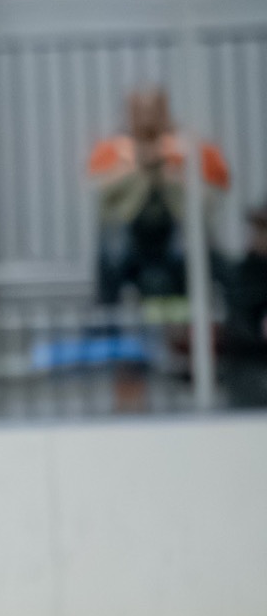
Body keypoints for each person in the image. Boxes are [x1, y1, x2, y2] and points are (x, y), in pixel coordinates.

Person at [87, 87, 231, 303]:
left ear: (165, 112)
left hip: (177, 241)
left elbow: (215, 192)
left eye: (154, 111)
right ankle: (105, 329)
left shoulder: (186, 148)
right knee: (109, 253)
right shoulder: (113, 150)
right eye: (140, 111)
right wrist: (136, 169)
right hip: (131, 244)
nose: (147, 119)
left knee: (212, 259)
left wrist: (171, 171)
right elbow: (99, 194)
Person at [223, 202, 267, 408]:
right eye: (260, 229)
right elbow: (239, 323)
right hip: (252, 362)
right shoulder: (243, 273)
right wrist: (258, 327)